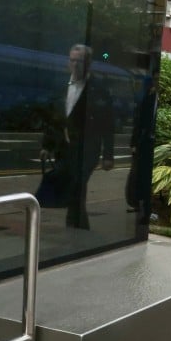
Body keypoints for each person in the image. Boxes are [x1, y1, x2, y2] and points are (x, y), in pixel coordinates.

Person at [40, 44, 115, 229]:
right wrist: (47, 146)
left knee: (76, 188)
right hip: (64, 149)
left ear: (88, 63)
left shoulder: (98, 89)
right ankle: (79, 230)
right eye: (72, 60)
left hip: (87, 150)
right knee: (73, 191)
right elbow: (54, 119)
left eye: (79, 61)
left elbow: (107, 125)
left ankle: (75, 231)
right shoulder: (62, 85)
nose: (74, 64)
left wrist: (108, 156)